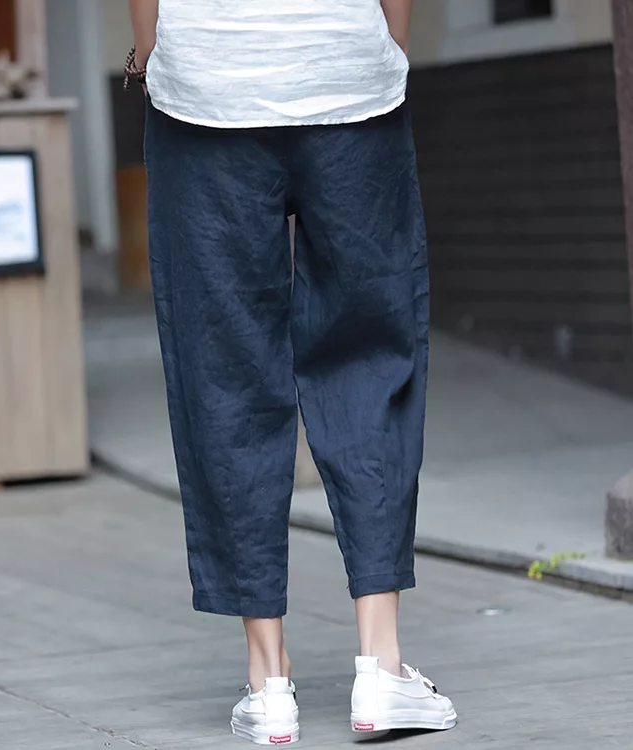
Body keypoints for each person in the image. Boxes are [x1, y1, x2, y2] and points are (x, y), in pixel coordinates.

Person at [126, 0, 457, 744]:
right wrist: (384, 43)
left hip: (206, 85)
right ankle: (382, 665)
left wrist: (152, 53)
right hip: (347, 74)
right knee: (370, 356)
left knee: (225, 369)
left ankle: (268, 679)